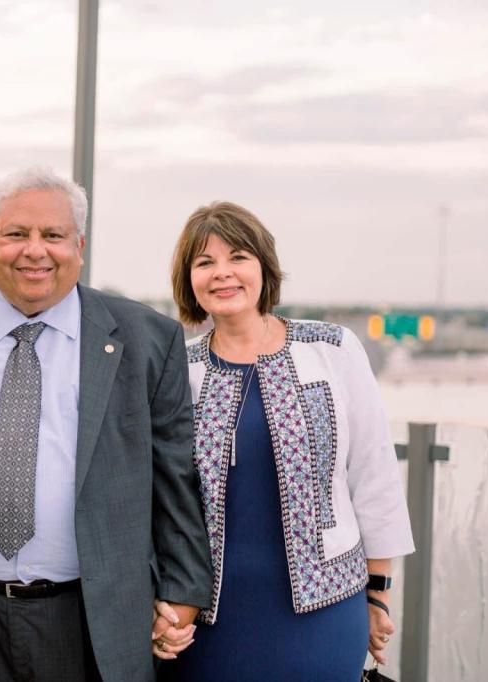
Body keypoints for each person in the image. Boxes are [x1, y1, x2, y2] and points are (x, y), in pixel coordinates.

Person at [0, 168, 212, 681]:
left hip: (92, 621)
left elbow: (175, 475)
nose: (34, 250)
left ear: (80, 246)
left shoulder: (147, 340)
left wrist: (183, 591)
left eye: (52, 235)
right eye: (16, 234)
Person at [157, 201, 415, 680]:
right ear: (187, 278)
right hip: (207, 620)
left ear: (264, 266)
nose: (222, 273)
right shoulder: (178, 368)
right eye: (204, 262)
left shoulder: (331, 349)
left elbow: (374, 473)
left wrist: (378, 592)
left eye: (238, 257)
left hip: (324, 612)